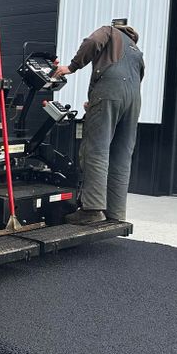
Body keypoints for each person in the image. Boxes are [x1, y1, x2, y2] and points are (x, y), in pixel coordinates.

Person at [55, 18, 144, 224]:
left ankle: (92, 209)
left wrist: (72, 67)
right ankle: (116, 212)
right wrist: (97, 102)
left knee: (96, 149)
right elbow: (134, 81)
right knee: (122, 154)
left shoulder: (109, 31)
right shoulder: (135, 50)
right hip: (133, 100)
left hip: (110, 92)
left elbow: (92, 42)